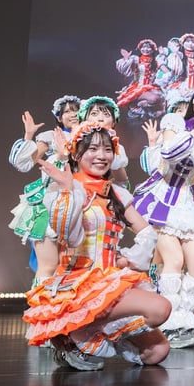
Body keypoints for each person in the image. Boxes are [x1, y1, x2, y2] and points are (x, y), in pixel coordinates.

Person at [23, 122, 171, 370]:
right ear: (76, 154)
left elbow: (146, 231)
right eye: (92, 149)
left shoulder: (116, 193)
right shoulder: (65, 188)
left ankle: (87, 332)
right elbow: (68, 236)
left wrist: (130, 259)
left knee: (157, 352)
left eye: (107, 150)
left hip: (110, 277)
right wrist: (68, 191)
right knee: (160, 308)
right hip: (79, 283)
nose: (101, 156)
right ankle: (79, 330)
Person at [133, 84, 194, 348]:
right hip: (162, 199)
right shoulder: (174, 122)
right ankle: (167, 321)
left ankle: (184, 318)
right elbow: (169, 153)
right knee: (174, 260)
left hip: (188, 204)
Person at [8, 95, 82, 283]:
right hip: (51, 202)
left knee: (77, 264)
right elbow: (24, 164)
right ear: (59, 117)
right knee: (49, 264)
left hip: (82, 202)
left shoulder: (92, 137)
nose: (72, 114)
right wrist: (28, 136)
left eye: (76, 110)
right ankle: (42, 301)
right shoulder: (50, 137)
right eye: (67, 111)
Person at [77, 96, 131, 188]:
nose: (100, 119)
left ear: (113, 122)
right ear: (84, 119)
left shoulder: (116, 148)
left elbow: (122, 181)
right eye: (94, 114)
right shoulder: (74, 142)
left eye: (106, 114)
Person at [116, 38, 164, 119]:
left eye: (148, 47)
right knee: (154, 99)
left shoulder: (156, 62)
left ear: (153, 50)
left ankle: (143, 108)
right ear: (140, 48)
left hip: (151, 87)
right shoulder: (136, 60)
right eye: (143, 47)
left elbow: (167, 72)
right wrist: (126, 59)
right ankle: (134, 106)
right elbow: (126, 71)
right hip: (138, 87)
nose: (145, 49)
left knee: (162, 106)